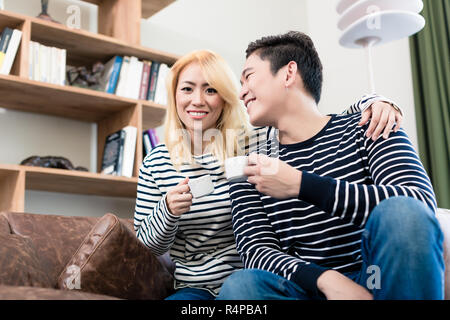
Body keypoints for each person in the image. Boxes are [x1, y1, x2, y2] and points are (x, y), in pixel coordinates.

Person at [134, 49, 404, 300]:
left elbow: (308, 122)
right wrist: (168, 210)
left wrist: (374, 102)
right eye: (187, 89)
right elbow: (148, 246)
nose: (197, 100)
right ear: (174, 95)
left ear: (225, 97)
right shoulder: (156, 162)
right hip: (198, 287)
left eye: (210, 89)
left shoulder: (252, 144)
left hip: (261, 277)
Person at [216, 31, 444, 300]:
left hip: (375, 281)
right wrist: (325, 279)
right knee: (241, 287)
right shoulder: (247, 164)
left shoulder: (369, 126)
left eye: (249, 76)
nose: (241, 92)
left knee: (403, 213)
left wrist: (302, 185)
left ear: (289, 73)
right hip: (307, 288)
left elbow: (418, 203)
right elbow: (257, 251)